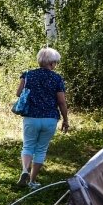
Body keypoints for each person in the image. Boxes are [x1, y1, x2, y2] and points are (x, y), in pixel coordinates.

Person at [14, 47, 69, 189]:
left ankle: (25, 170)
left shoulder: (27, 75)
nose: (55, 65)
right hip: (50, 118)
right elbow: (61, 101)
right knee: (41, 149)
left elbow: (18, 93)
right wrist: (65, 119)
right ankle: (32, 181)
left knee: (28, 146)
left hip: (31, 117)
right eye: (55, 63)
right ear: (51, 63)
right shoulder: (56, 78)